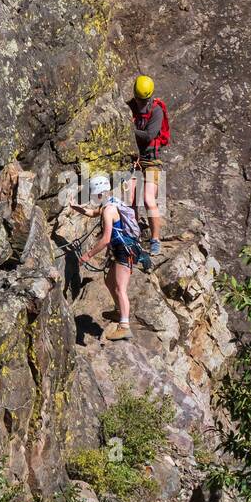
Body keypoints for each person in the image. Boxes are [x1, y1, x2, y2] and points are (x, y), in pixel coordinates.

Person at [79, 173, 142, 341]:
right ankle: (118, 311)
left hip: (124, 250)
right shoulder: (111, 202)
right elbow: (93, 213)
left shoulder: (109, 210)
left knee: (120, 288)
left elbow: (106, 239)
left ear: (99, 193)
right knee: (109, 281)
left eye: (93, 194)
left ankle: (124, 326)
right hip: (122, 248)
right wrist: (77, 208)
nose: (92, 197)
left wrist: (88, 255)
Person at [124, 74, 170, 255]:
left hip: (151, 160)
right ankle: (133, 238)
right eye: (138, 99)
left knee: (149, 199)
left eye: (143, 99)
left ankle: (155, 240)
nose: (140, 102)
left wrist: (129, 129)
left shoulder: (156, 110)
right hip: (135, 158)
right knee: (130, 201)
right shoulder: (130, 107)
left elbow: (149, 135)